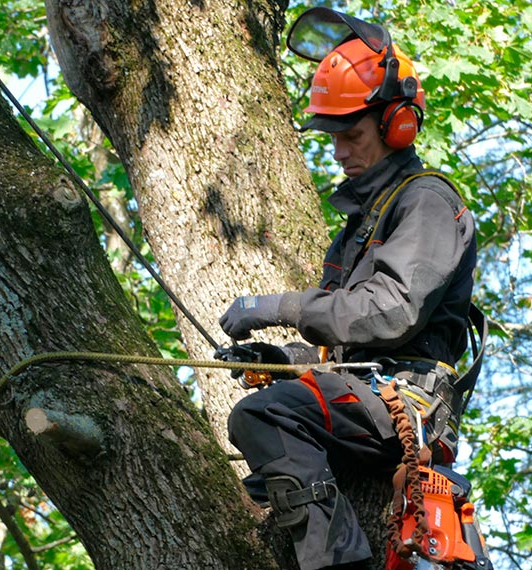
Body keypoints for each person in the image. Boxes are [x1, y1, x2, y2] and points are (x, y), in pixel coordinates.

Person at [218, 8, 477, 570]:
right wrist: (288, 358)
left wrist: (277, 307)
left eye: (352, 134)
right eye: (334, 135)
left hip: (407, 401)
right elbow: (350, 345)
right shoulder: (363, 221)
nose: (339, 150)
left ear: (398, 125)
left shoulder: (425, 201)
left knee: (262, 417)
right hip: (369, 391)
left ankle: (340, 564)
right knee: (266, 453)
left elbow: (389, 314)